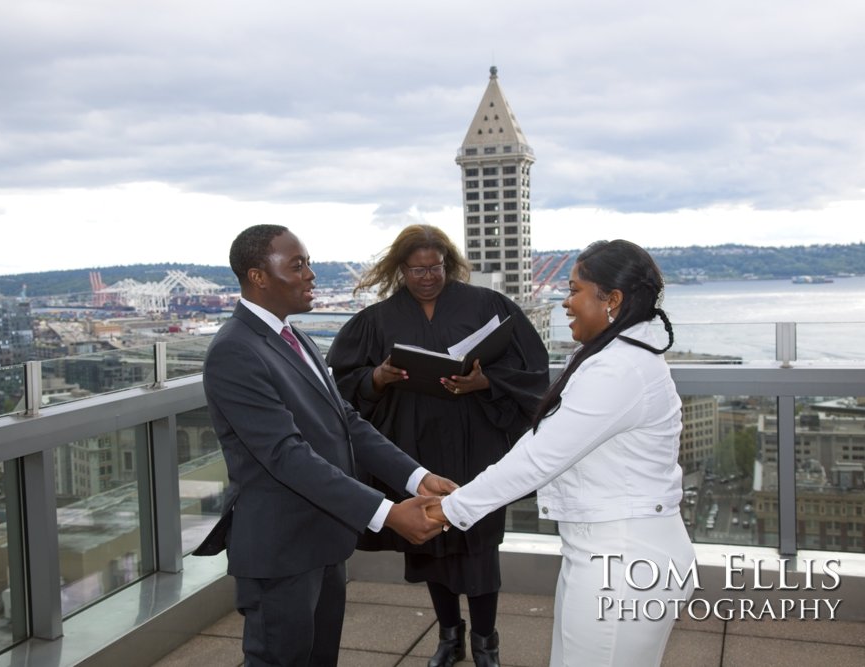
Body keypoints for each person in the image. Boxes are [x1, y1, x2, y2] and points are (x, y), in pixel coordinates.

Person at [193, 224, 455, 666]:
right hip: (282, 552)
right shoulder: (234, 351)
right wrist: (387, 514)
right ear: (258, 277)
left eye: (309, 262)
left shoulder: (296, 339)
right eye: (298, 265)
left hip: (323, 539)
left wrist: (418, 478)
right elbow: (284, 455)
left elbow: (346, 423)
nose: (311, 274)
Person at [429, 239, 697, 667]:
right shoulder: (614, 356)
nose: (565, 303)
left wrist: (446, 511)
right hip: (608, 552)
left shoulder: (618, 369)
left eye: (574, 290)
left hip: (622, 560)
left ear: (612, 300)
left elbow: (539, 458)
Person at [326, 224, 550, 667]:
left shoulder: (488, 306)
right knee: (428, 539)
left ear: (448, 263)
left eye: (435, 267)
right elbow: (346, 387)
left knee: (480, 545)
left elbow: (531, 370)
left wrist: (486, 381)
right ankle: (450, 637)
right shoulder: (378, 320)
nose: (427, 276)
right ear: (400, 270)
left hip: (476, 443)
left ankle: (487, 642)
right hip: (415, 447)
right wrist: (378, 378)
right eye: (416, 269)